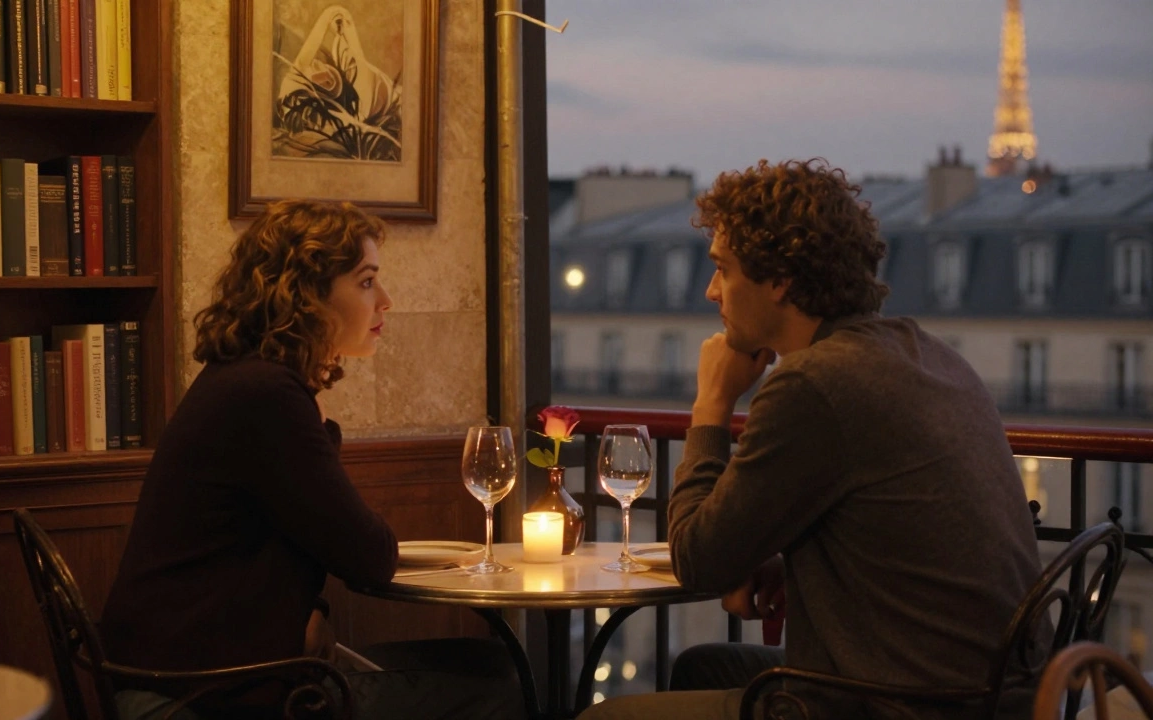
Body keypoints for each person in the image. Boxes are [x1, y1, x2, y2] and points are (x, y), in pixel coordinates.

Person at [580, 159, 1047, 720]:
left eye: (723, 271)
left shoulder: (814, 384)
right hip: (999, 694)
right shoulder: (922, 351)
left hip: (902, 705)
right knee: (703, 667)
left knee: (603, 717)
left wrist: (711, 406)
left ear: (779, 280)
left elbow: (697, 561)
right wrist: (795, 561)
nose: (710, 292)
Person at [99, 200, 524, 720]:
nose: (386, 301)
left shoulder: (246, 380)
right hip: (203, 692)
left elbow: (287, 534)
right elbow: (367, 553)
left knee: (487, 663)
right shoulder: (266, 395)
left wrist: (313, 609)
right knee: (500, 682)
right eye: (367, 282)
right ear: (307, 296)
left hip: (186, 668)